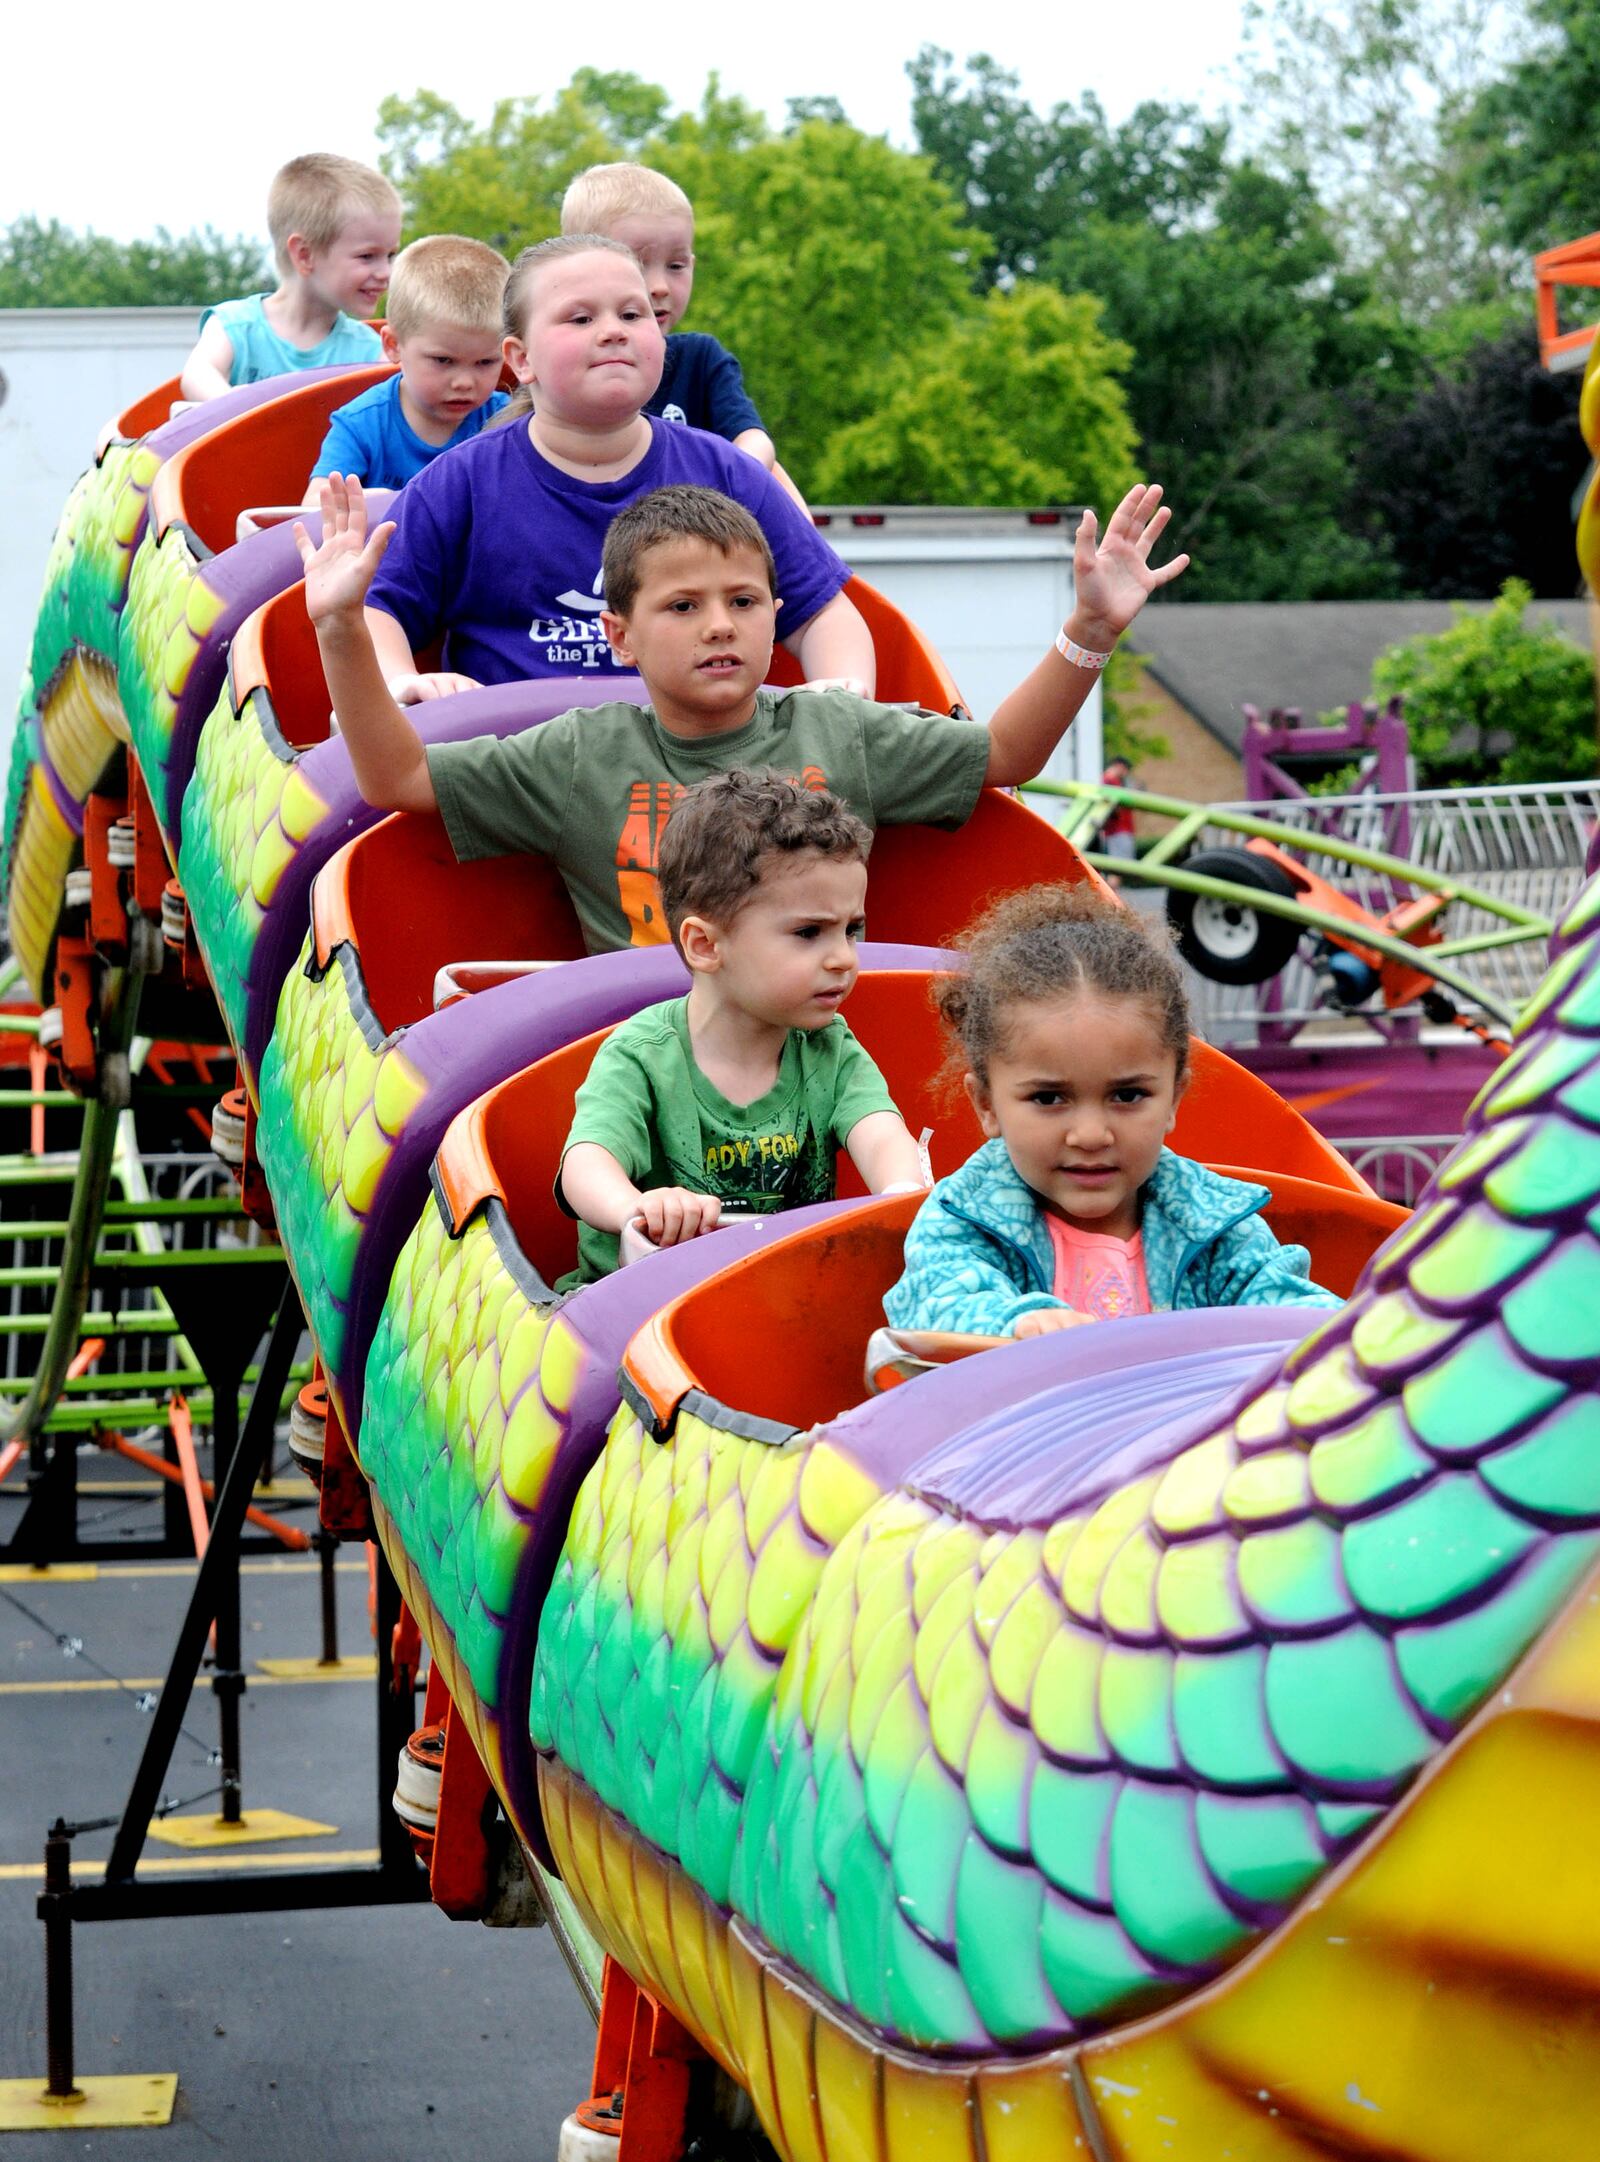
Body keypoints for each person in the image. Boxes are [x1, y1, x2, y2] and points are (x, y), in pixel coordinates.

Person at [294, 476, 1188, 956]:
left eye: (746, 602)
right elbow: (397, 776)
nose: (720, 624)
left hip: (822, 1067)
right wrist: (341, 629)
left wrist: (1088, 631)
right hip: (648, 1069)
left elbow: (1003, 753)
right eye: (683, 607)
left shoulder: (836, 731)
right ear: (622, 635)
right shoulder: (579, 755)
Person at [353, 234, 871, 706]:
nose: (612, 333)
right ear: (521, 358)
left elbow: (823, 611)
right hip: (517, 771)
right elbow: (378, 609)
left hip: (703, 768)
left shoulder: (727, 473)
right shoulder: (457, 484)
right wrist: (403, 681)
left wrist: (837, 694)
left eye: (632, 315)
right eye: (581, 319)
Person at [884, 885, 1340, 1338]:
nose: (1090, 1134)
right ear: (987, 1104)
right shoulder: (966, 1219)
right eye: (1048, 1098)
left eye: (1126, 1096)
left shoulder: (1212, 1223)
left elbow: (1289, 1308)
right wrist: (1015, 1324)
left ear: (1173, 1099)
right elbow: (938, 1301)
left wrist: (1345, 1329)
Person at [557, 771, 923, 1281]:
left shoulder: (829, 1048)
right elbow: (587, 1162)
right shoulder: (642, 1055)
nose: (843, 958)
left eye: (851, 930)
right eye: (809, 932)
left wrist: (904, 1190)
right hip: (642, 1299)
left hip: (780, 1294)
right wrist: (636, 1208)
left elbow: (882, 1135)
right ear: (705, 945)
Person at [559, 161, 801, 503]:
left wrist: (714, 498)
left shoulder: (700, 360)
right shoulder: (559, 364)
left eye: (676, 266)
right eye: (638, 264)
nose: (659, 287)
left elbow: (754, 441)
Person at [179, 154, 402, 400]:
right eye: (367, 256)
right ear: (305, 255)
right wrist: (237, 408)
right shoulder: (236, 327)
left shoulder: (368, 351)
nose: (386, 273)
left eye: (390, 255)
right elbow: (197, 375)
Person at [302, 236, 510, 499]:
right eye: (444, 360)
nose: (464, 382)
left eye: (486, 362)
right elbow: (315, 508)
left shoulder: (506, 421)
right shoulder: (361, 424)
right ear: (393, 345)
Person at [1099, 755, 1138, 861]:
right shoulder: (1110, 781)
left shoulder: (1111, 781)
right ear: (1119, 766)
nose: (1126, 773)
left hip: (1115, 831)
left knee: (1118, 868)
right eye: (1126, 769)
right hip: (1118, 830)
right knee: (1118, 869)